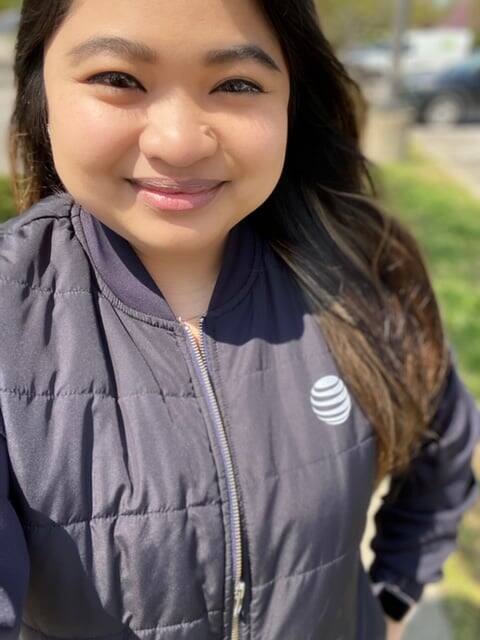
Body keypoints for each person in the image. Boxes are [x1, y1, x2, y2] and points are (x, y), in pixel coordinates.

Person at [1, 1, 478, 639]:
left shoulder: (364, 272)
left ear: (291, 100)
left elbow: (443, 456)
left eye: (236, 84)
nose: (178, 142)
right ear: (42, 93)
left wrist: (392, 602)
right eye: (118, 79)